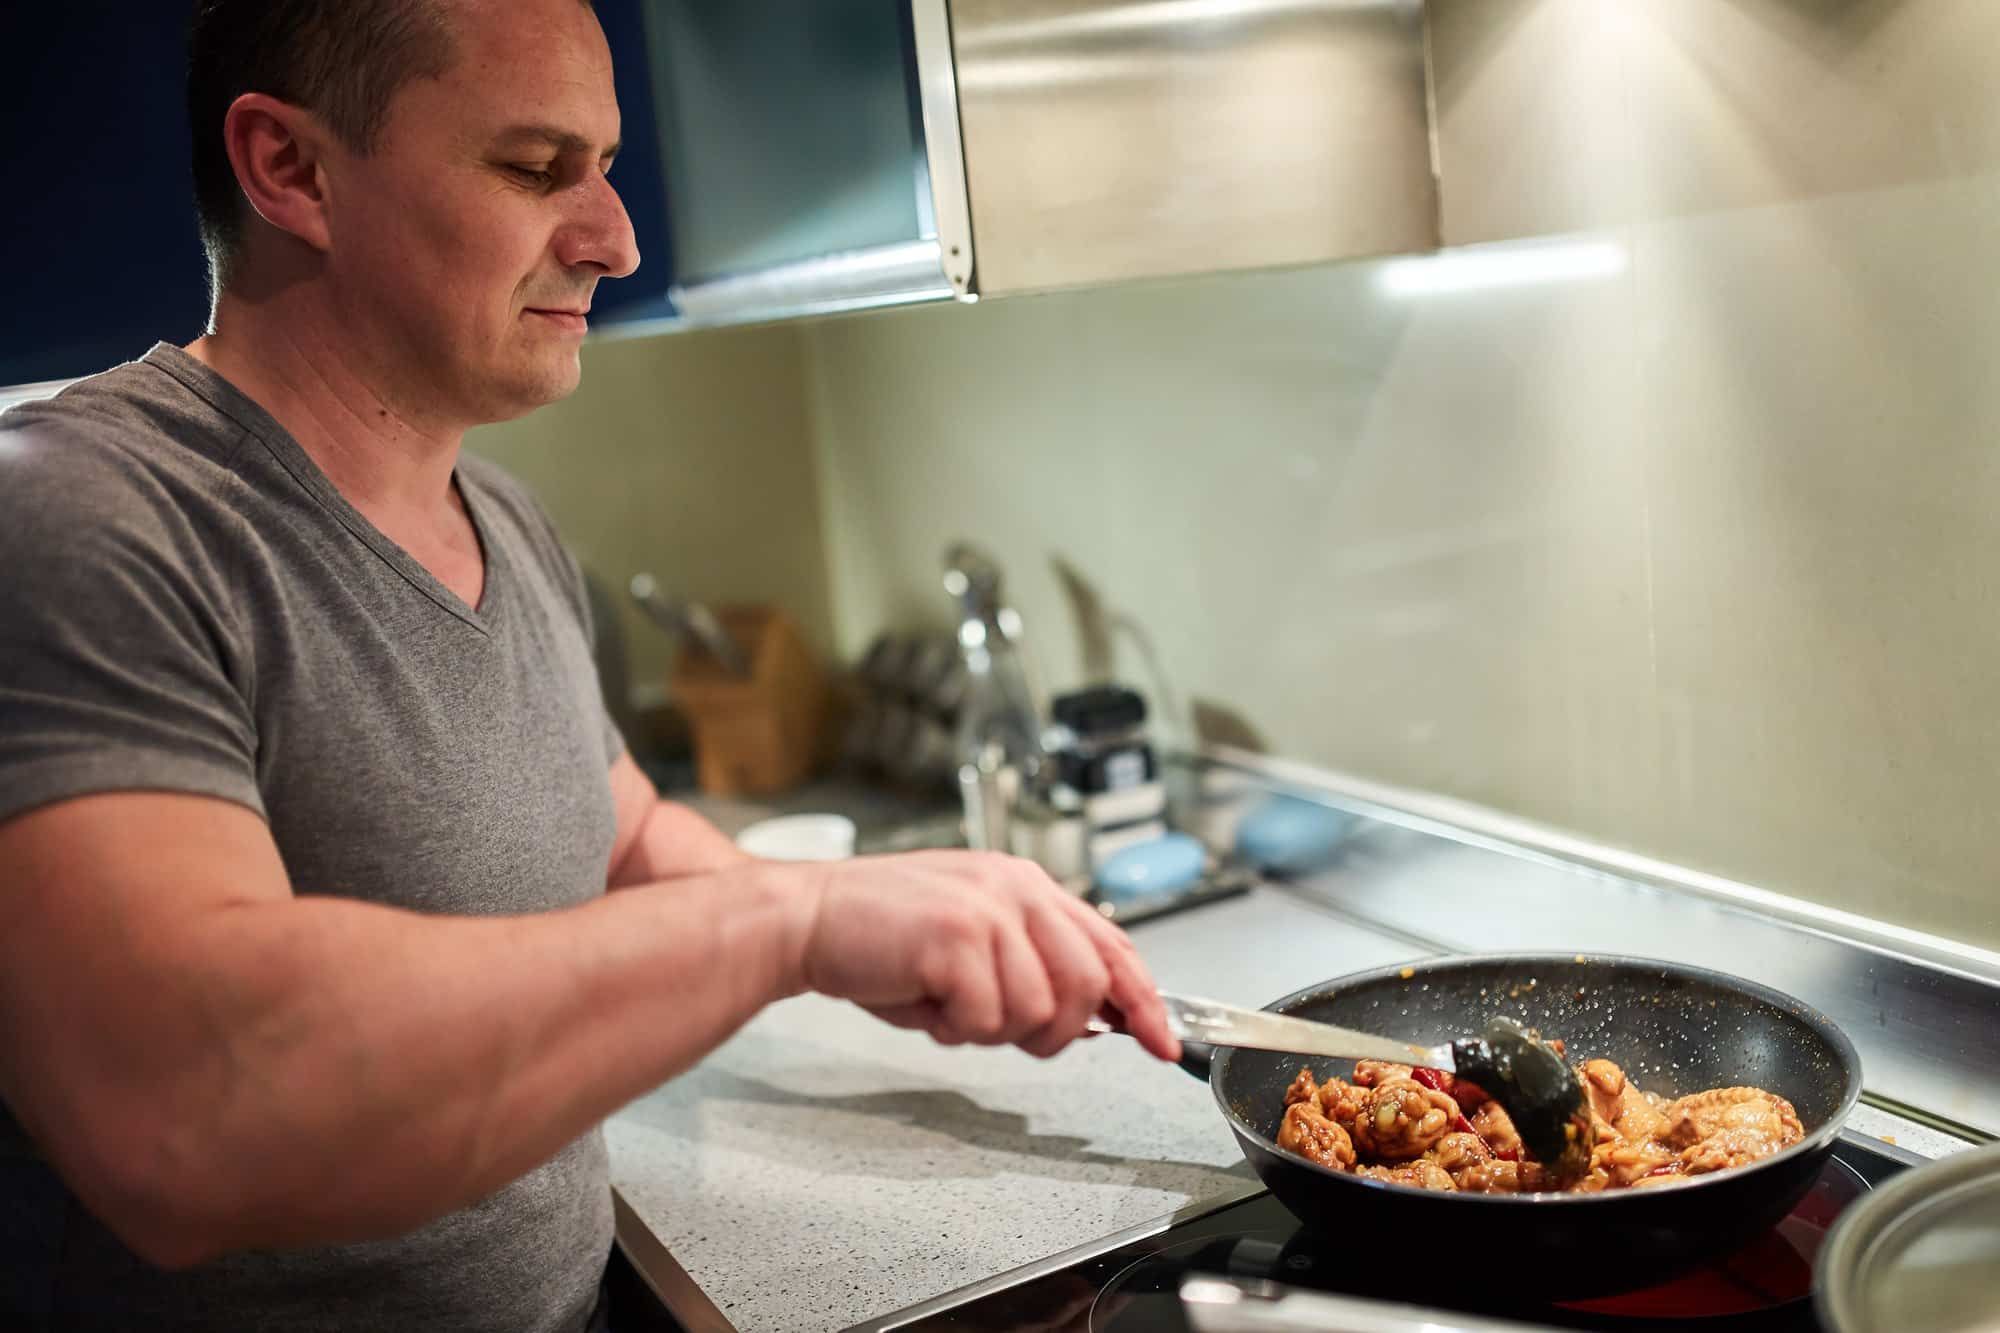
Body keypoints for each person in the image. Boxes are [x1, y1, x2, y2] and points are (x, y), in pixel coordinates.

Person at [0, 1, 1181, 1328]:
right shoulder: (83, 517)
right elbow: (184, 1113)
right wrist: (788, 925)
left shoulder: (503, 521)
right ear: (292, 169)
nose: (616, 238)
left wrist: (889, 918)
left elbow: (621, 836)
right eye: (533, 167)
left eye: (607, 167)